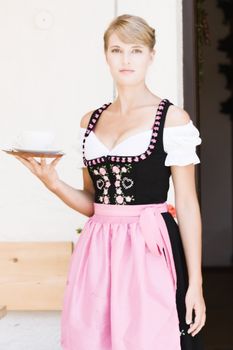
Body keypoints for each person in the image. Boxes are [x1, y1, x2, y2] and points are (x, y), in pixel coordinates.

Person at [15, 14, 206, 350]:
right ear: (106, 56)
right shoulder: (90, 121)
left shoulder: (172, 120)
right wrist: (52, 181)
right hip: (98, 249)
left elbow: (187, 205)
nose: (126, 59)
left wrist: (197, 284)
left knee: (149, 338)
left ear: (151, 55)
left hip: (150, 250)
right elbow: (93, 203)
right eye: (117, 50)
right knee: (92, 337)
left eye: (136, 50)